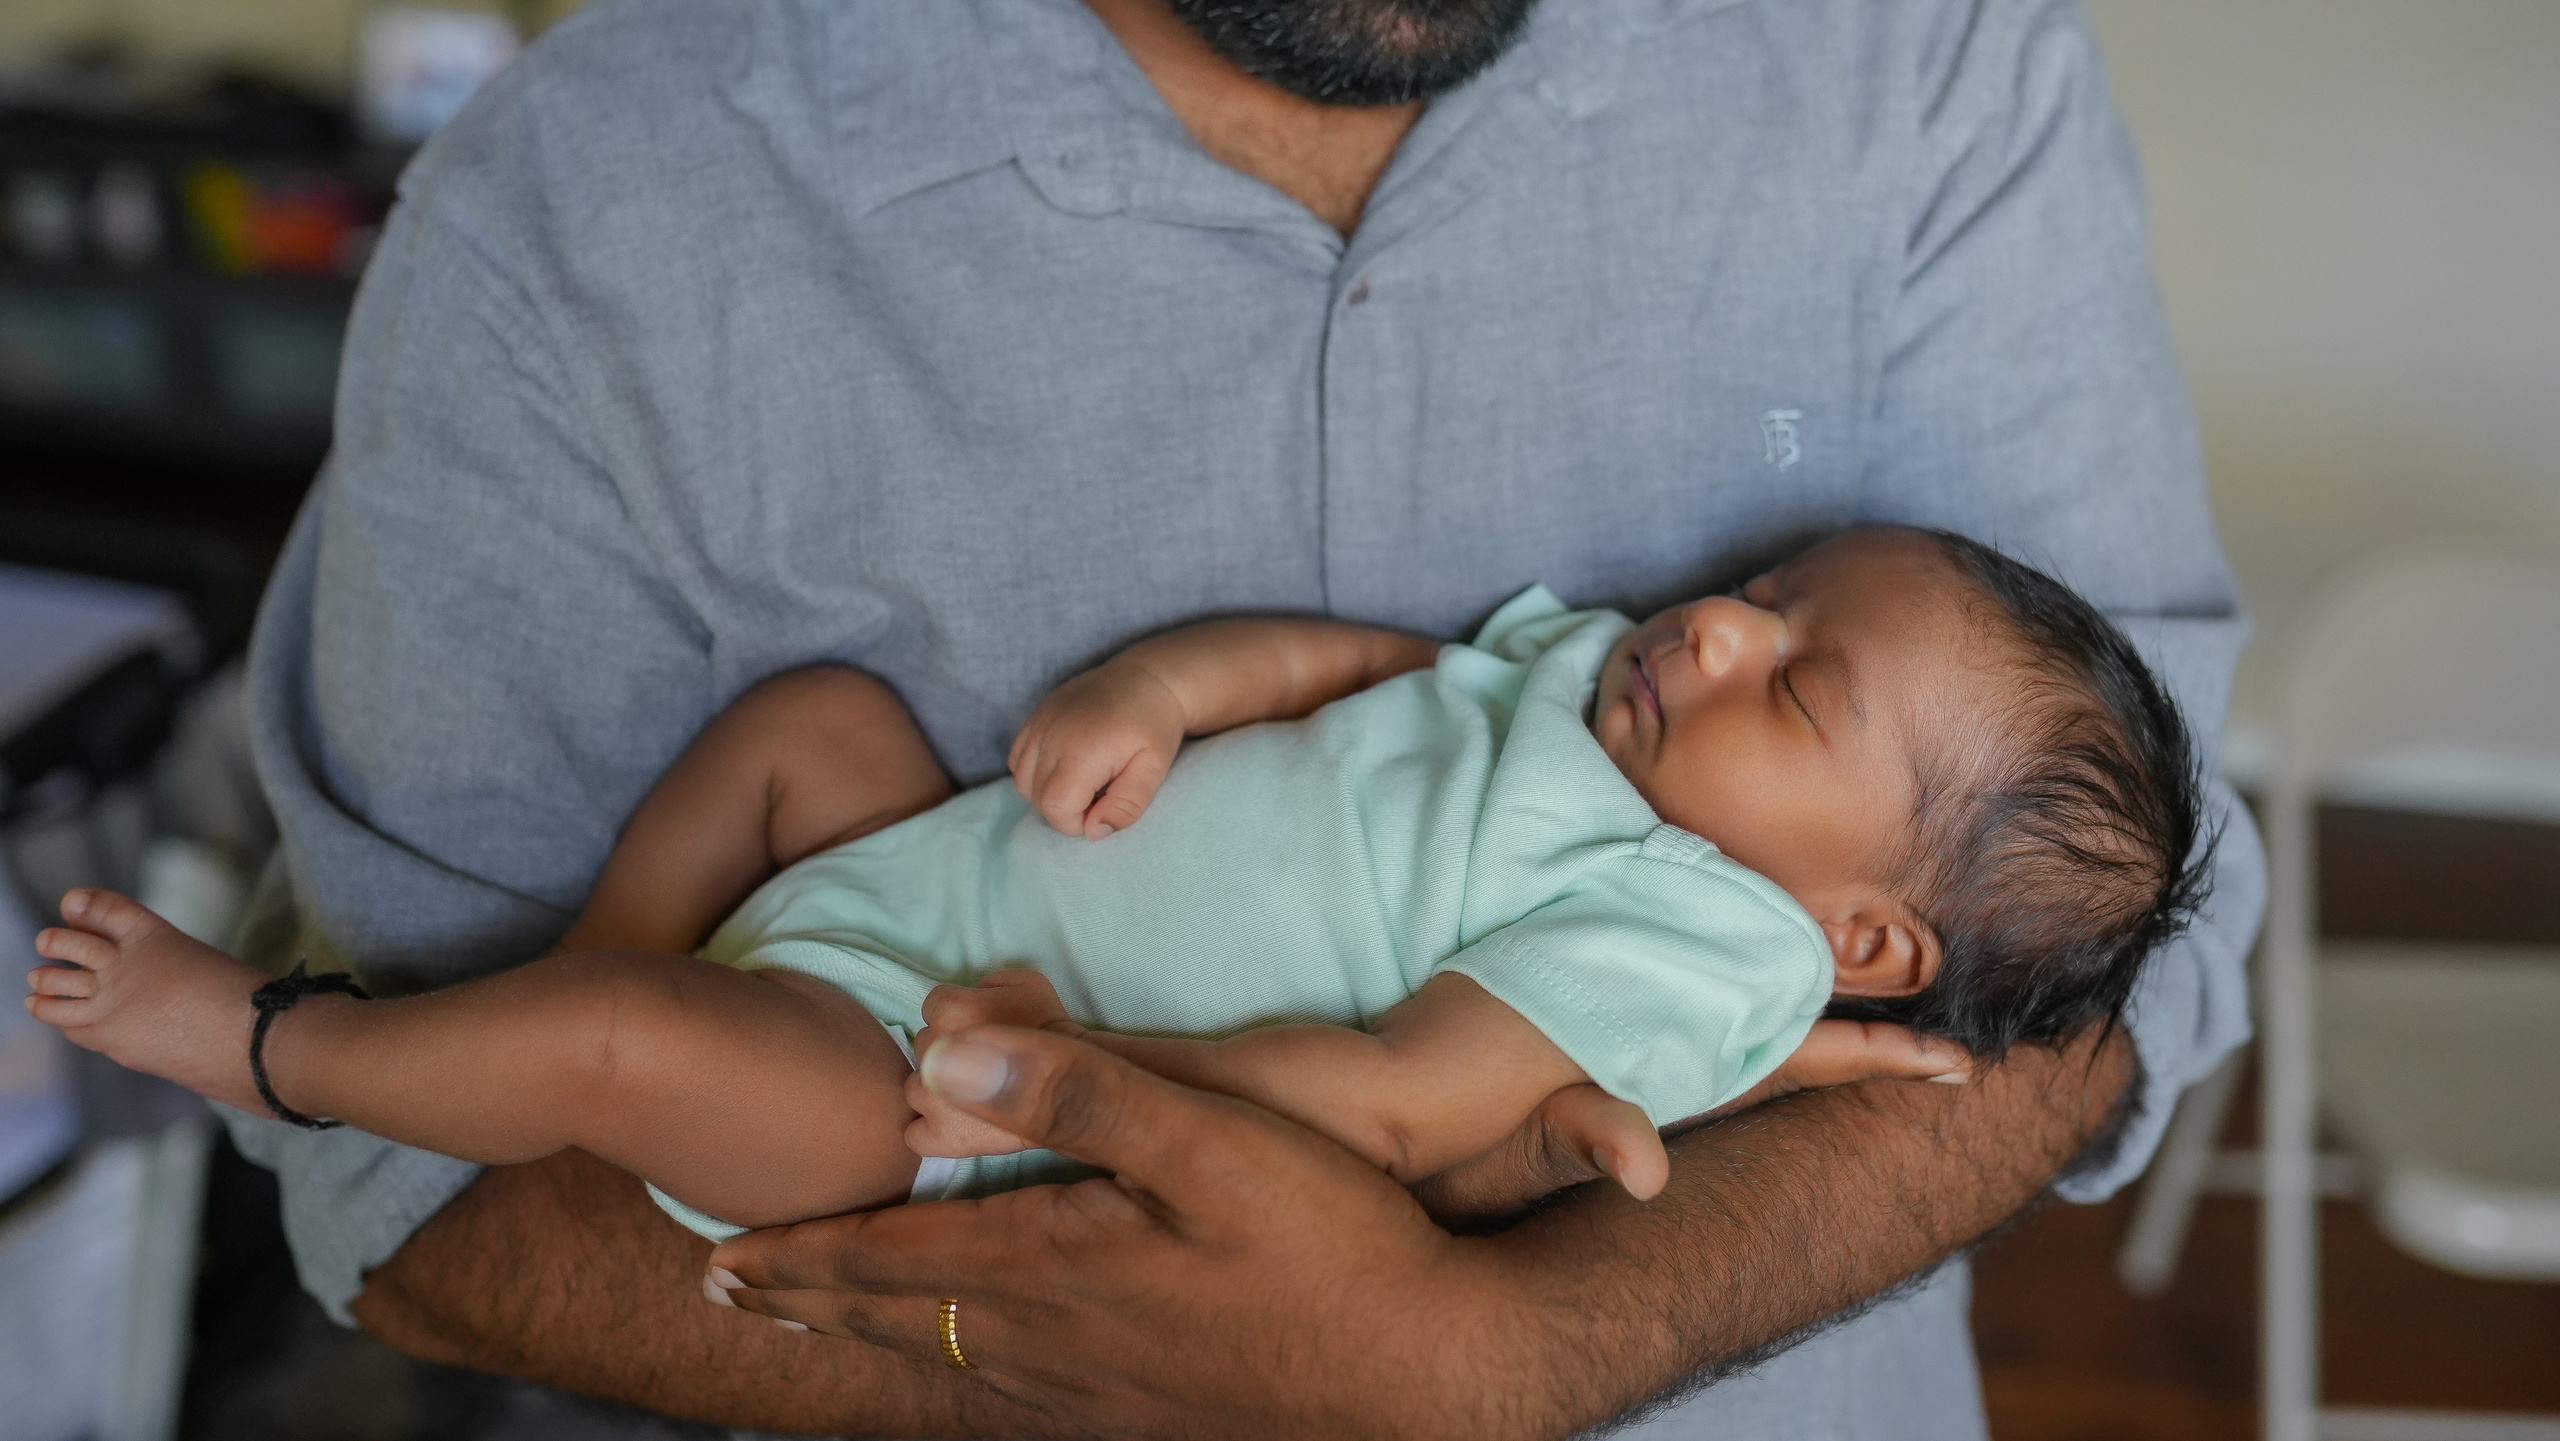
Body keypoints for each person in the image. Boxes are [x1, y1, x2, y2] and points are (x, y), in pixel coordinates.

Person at [223, 0, 2263, 1435]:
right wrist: (1060, 1340)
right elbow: (419, 1199)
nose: (1708, 628)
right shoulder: (588, 204)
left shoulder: (1921, 54)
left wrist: (1504, 1353)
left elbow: (2106, 946)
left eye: (1793, 657)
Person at [32, 528, 2208, 1251]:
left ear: (1863, 939)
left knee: (642, 1046)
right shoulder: (1624, 701)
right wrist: (1170, 687)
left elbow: (1380, 1099)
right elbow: (1372, 673)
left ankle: (278, 1048)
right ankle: (584, 1024)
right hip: (920, 863)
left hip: (916, 1079)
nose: (1716, 629)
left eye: (1794, 677)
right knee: (806, 719)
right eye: (1763, 596)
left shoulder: (1696, 943)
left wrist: (1066, 1077)